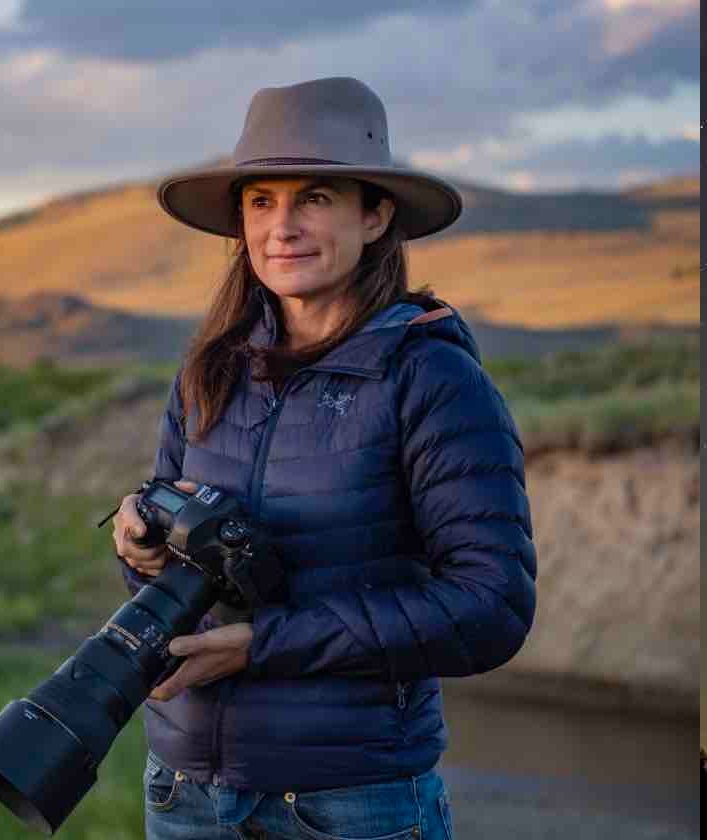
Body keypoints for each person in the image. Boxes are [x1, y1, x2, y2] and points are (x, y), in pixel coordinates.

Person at [109, 76, 537, 840]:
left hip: (350, 803)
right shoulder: (211, 369)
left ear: (375, 215)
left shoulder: (432, 380)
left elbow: (491, 606)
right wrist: (142, 552)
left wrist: (263, 647)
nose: (282, 227)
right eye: (261, 201)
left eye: (313, 198)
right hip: (184, 795)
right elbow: (182, 578)